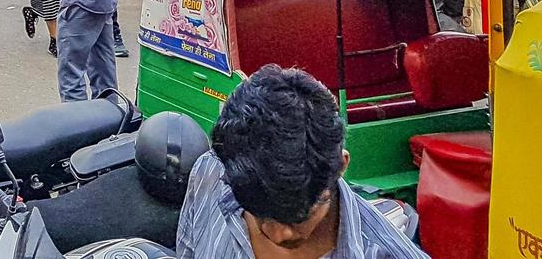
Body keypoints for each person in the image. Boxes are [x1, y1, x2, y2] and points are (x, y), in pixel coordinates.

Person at [176, 66, 426, 258]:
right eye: (260, 214)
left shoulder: (385, 252)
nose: (279, 234)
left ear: (341, 165)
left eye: (299, 216)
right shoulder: (212, 173)